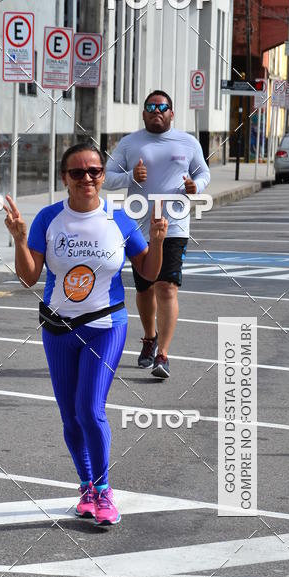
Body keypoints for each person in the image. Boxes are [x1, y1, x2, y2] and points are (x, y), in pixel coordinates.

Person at [3, 142, 168, 525]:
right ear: (65, 179)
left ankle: (105, 491)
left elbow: (148, 273)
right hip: (58, 327)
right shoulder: (48, 219)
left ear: (102, 176)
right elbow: (29, 277)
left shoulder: (120, 220)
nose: (87, 178)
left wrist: (157, 240)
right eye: (78, 172)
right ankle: (86, 488)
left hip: (105, 325)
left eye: (94, 171)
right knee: (70, 417)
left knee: (90, 409)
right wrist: (18, 238)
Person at [104, 90, 210, 379]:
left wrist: (196, 187)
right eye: (150, 107)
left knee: (166, 287)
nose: (156, 111)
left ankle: (162, 354)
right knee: (144, 288)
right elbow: (106, 176)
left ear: (171, 113)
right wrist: (129, 177)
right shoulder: (129, 143)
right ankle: (149, 338)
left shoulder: (187, 142)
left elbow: (203, 173)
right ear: (143, 114)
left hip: (173, 225)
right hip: (137, 226)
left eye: (162, 107)